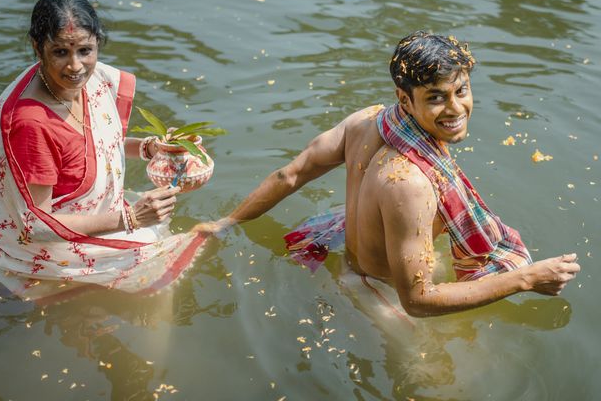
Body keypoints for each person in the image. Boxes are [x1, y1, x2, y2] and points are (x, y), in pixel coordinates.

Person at [205, 31, 581, 317]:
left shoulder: (366, 120)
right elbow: (417, 300)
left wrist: (223, 222)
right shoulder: (410, 184)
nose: (455, 109)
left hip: (353, 259)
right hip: (378, 295)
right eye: (435, 97)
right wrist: (525, 279)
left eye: (461, 91)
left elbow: (290, 175)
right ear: (405, 99)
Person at [0, 0, 206, 301]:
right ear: (38, 48)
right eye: (60, 52)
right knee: (159, 278)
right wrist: (130, 219)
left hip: (77, 219)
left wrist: (150, 148)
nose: (75, 65)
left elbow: (95, 150)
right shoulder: (32, 125)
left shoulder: (87, 81)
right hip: (38, 248)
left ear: (97, 44)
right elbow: (36, 224)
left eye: (85, 50)